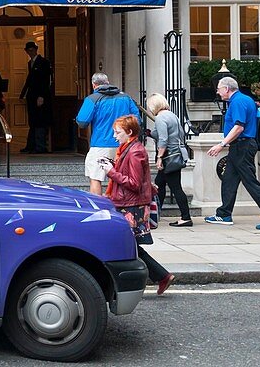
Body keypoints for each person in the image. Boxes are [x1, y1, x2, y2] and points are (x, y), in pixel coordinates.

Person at [101, 114, 174, 296]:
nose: (115, 136)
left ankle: (156, 277)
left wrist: (111, 172)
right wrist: (112, 166)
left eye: (118, 132)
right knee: (128, 245)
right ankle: (160, 276)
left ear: (130, 132)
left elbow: (134, 183)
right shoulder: (127, 148)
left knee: (126, 245)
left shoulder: (135, 151)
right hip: (126, 203)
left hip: (132, 206)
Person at [205, 77, 260, 231]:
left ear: (227, 89)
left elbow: (239, 127)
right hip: (239, 146)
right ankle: (224, 214)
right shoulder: (243, 100)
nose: (217, 91)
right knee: (229, 179)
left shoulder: (238, 101)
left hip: (243, 145)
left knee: (250, 182)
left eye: (219, 88)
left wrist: (221, 144)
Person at [76, 72, 140, 195]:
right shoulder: (125, 98)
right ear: (108, 82)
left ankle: (98, 209)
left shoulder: (92, 99)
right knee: (120, 177)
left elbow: (82, 122)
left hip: (100, 144)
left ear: (94, 85)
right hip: (124, 145)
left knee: (95, 178)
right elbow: (136, 120)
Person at [146, 93, 192, 227]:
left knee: (176, 188)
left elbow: (164, 139)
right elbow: (179, 134)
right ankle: (155, 215)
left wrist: (159, 157)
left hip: (168, 156)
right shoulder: (173, 115)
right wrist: (151, 133)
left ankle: (186, 217)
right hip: (177, 154)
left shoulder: (160, 118)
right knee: (159, 184)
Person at [19, 41, 53, 154]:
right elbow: (30, 80)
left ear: (36, 49)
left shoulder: (44, 62)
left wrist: (41, 96)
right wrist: (23, 94)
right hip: (32, 96)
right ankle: (31, 145)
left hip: (39, 96)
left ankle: (40, 146)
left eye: (32, 49)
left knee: (40, 121)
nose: (30, 52)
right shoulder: (30, 63)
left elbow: (45, 80)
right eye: (28, 50)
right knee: (33, 121)